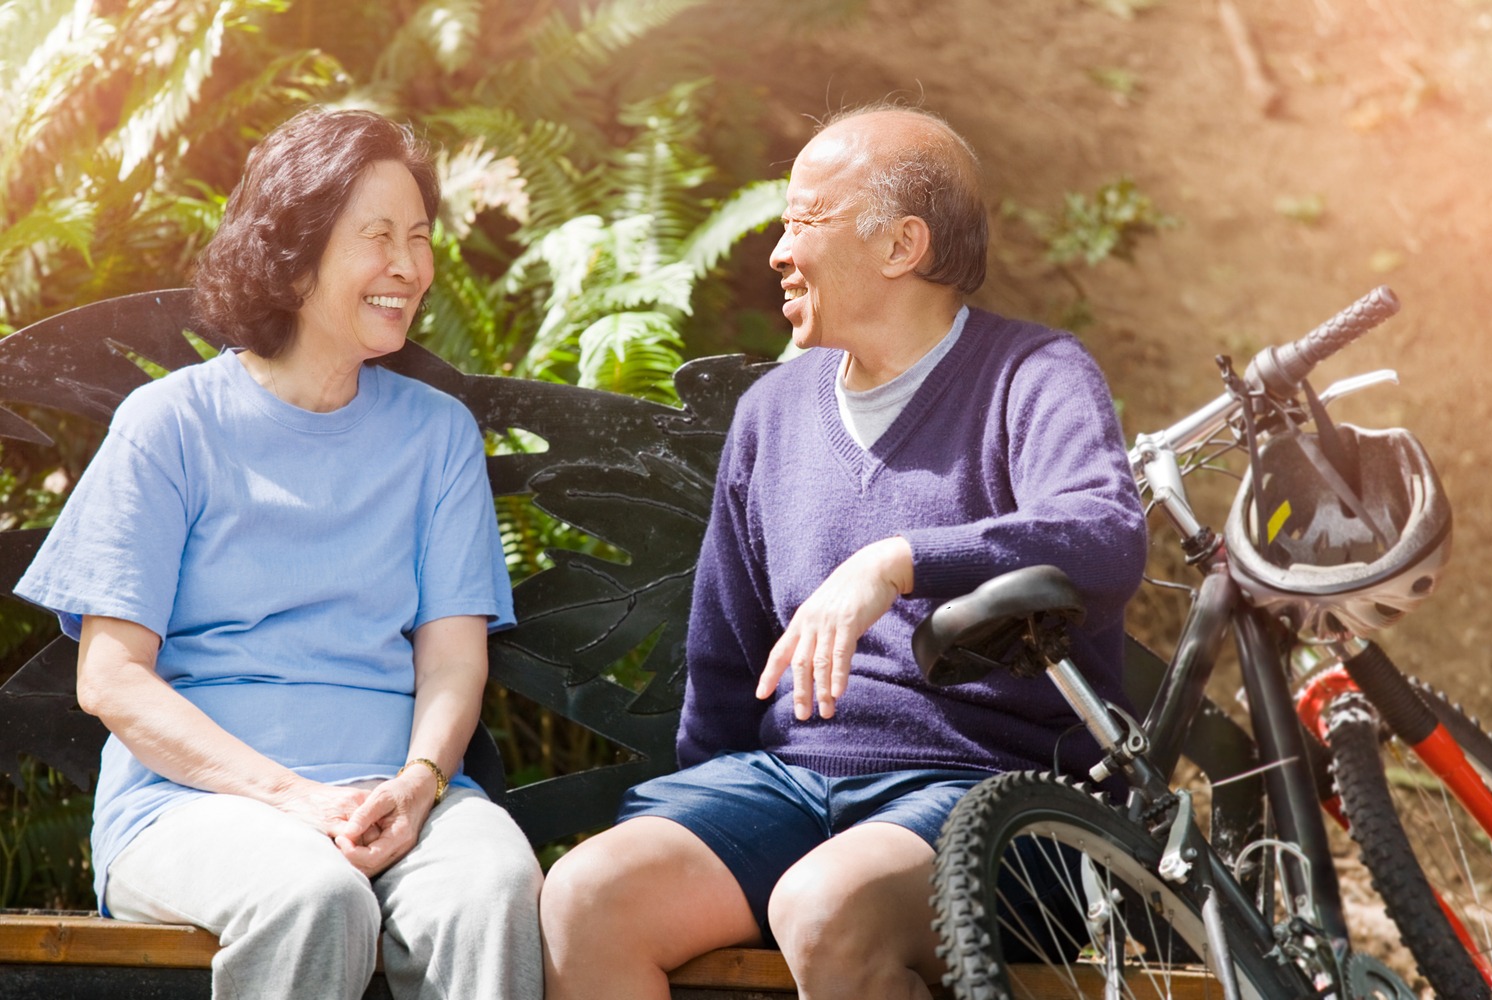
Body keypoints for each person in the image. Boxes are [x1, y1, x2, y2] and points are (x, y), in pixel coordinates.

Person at [538, 104, 1149, 999]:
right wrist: (706, 817)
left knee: (825, 907)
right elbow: (725, 659)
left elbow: (1104, 532)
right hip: (787, 787)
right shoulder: (772, 413)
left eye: (804, 221)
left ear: (903, 246)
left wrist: (897, 560)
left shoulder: (1035, 375)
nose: (778, 250)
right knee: (589, 896)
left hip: (995, 796)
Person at [15, 108, 543, 1000]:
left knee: (492, 888)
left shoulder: (436, 436)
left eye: (418, 238)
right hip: (195, 809)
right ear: (293, 255)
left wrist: (418, 787)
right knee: (312, 896)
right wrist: (294, 799)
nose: (410, 268)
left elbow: (454, 656)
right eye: (377, 237)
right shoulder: (169, 425)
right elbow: (110, 681)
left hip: (399, 801)